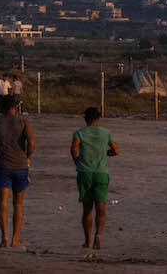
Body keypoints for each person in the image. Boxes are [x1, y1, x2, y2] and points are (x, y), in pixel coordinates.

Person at [0, 94, 34, 248]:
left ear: (1, 108)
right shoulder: (23, 122)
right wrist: (27, 157)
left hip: (3, 167)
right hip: (21, 167)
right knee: (18, 203)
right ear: (16, 107)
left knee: (2, 205)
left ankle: (4, 238)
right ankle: (15, 239)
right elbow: (31, 143)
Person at [71, 106, 120, 249]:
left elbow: (74, 150)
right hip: (102, 173)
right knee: (101, 207)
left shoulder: (79, 133)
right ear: (98, 119)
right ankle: (98, 235)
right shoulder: (106, 133)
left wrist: (78, 162)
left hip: (85, 172)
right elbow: (116, 151)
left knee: (87, 209)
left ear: (85, 118)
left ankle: (88, 241)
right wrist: (106, 154)